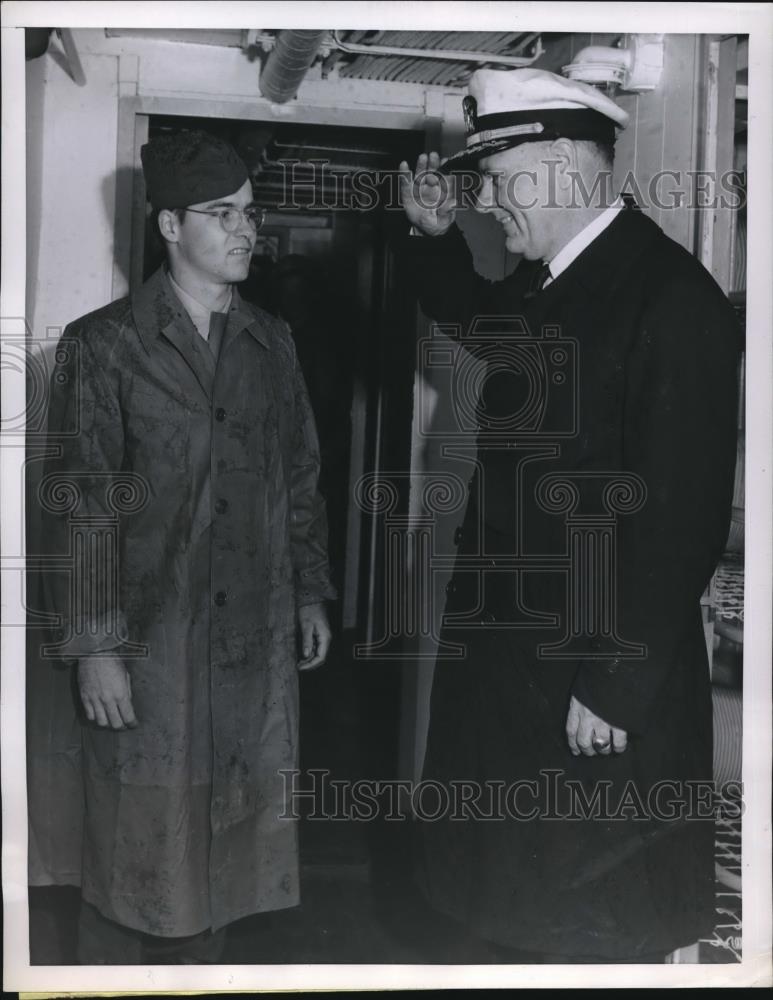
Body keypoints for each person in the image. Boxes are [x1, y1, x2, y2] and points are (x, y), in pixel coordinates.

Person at [397, 69, 740, 962]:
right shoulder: (550, 284)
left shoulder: (670, 298)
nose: (488, 205)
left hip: (592, 688)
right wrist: (430, 240)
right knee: (509, 908)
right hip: (518, 673)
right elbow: (477, 318)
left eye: (497, 183)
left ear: (559, 167)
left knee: (584, 924)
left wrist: (613, 682)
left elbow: (683, 514)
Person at [34, 130, 335, 963]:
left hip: (249, 647)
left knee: (228, 851)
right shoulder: (103, 345)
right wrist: (96, 648)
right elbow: (81, 504)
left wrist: (308, 589)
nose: (246, 230)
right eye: (221, 213)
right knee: (132, 856)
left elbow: (299, 473)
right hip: (152, 644)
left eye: (250, 212)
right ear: (169, 225)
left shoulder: (272, 341)